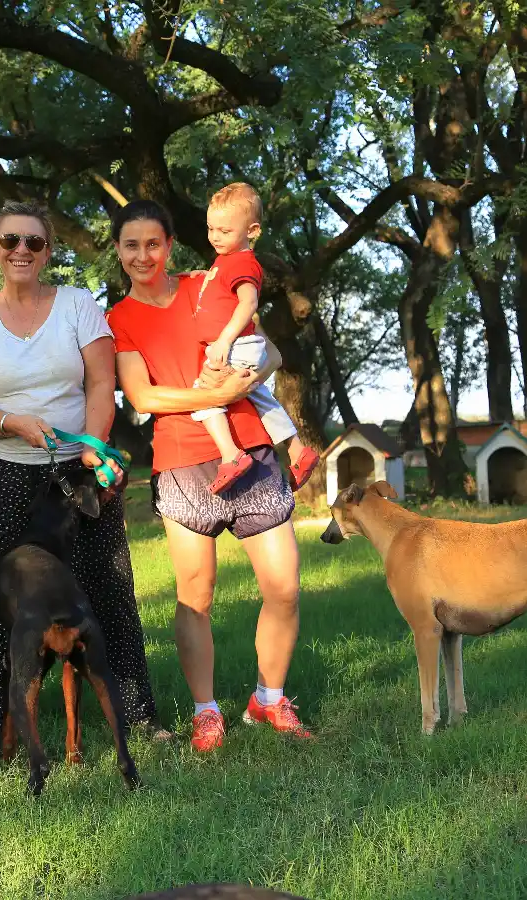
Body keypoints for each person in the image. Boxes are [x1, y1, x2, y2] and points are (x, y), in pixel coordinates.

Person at [0, 199, 168, 760]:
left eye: (34, 241)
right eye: (11, 241)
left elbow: (100, 383)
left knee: (107, 588)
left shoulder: (77, 305)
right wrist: (13, 422)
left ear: (49, 252)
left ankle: (138, 714)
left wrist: (94, 447)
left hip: (76, 469)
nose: (22, 250)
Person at [106, 199, 312, 753]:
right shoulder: (118, 319)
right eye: (131, 245)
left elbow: (268, 352)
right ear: (119, 251)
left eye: (153, 243)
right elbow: (143, 397)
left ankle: (269, 698)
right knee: (196, 595)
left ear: (170, 245)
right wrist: (209, 396)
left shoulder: (209, 284)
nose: (143, 255)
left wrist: (244, 381)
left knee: (285, 586)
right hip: (182, 461)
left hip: (251, 449)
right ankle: (206, 711)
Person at [190, 182, 318, 495]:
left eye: (224, 230)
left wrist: (223, 340)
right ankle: (298, 450)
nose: (215, 236)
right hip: (242, 345)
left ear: (252, 230)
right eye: (210, 229)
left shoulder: (243, 262)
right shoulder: (227, 258)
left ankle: (231, 455)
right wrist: (206, 277)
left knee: (202, 396)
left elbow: (248, 304)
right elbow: (224, 290)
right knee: (260, 396)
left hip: (235, 344)